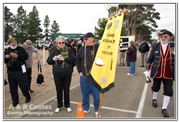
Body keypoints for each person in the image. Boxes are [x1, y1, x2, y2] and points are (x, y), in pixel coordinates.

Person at [144, 29, 175, 117]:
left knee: (168, 91)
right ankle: (154, 99)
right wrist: (147, 70)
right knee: (155, 87)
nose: (163, 38)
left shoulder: (174, 46)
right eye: (162, 37)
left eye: (165, 36)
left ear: (169, 37)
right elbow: (150, 59)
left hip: (169, 74)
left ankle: (164, 108)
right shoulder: (155, 46)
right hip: (157, 72)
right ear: (159, 37)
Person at [46, 36, 75, 113]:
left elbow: (73, 60)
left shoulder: (69, 50)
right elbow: (48, 61)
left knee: (66, 89)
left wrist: (64, 59)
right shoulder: (54, 51)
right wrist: (53, 59)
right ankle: (59, 105)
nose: (61, 44)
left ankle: (67, 105)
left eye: (63, 42)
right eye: (59, 43)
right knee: (58, 90)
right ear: (57, 43)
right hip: (57, 73)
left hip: (67, 73)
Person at [76, 32, 101, 117]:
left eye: (86, 38)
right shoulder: (82, 49)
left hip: (95, 77)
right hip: (83, 76)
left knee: (96, 96)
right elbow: (78, 60)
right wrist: (79, 71)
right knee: (85, 94)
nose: (84, 40)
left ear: (92, 38)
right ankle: (86, 108)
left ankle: (97, 109)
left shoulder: (98, 48)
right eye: (84, 39)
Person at [4, 37, 31, 107]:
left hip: (19, 71)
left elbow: (26, 57)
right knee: (12, 87)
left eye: (14, 42)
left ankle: (27, 97)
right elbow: (4, 61)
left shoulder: (20, 49)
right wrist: (5, 57)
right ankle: (15, 101)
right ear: (9, 43)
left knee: (23, 85)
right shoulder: (7, 50)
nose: (13, 43)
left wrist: (17, 56)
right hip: (10, 71)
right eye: (12, 42)